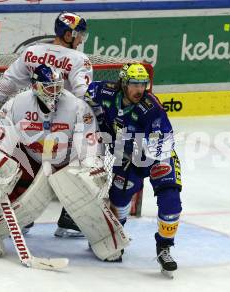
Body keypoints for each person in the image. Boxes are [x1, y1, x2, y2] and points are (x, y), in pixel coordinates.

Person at [0, 65, 128, 262]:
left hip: (66, 162)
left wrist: (91, 166)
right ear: (36, 87)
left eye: (58, 86)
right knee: (24, 200)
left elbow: (89, 142)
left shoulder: (76, 107)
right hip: (32, 158)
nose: (55, 92)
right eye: (49, 87)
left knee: (86, 196)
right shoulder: (18, 104)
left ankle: (106, 241)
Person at [0, 11, 92, 237]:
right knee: (82, 164)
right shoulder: (78, 60)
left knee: (24, 161)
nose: (81, 39)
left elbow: (8, 85)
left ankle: (22, 217)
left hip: (32, 122)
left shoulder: (32, 52)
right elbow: (84, 96)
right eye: (79, 34)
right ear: (67, 34)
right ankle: (69, 218)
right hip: (64, 128)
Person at [84, 63, 183, 277]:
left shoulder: (151, 107)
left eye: (143, 84)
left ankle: (164, 248)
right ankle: (114, 237)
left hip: (158, 157)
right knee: (118, 199)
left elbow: (162, 143)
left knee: (171, 201)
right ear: (123, 83)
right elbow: (83, 93)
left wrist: (138, 150)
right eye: (135, 84)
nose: (140, 89)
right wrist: (97, 118)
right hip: (127, 156)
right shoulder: (106, 91)